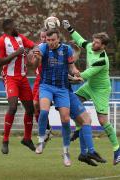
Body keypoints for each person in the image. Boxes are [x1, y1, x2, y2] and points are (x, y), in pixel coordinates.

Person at [62, 20, 120, 165]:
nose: (93, 44)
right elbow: (79, 39)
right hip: (90, 86)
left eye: (96, 43)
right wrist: (69, 28)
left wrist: (68, 77)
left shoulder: (102, 60)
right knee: (71, 102)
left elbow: (85, 75)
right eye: (93, 41)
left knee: (102, 121)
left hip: (101, 90)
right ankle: (79, 128)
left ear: (103, 46)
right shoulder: (89, 46)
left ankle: (117, 150)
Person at [31, 28, 80, 166]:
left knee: (65, 118)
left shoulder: (67, 50)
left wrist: (76, 73)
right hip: (46, 85)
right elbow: (34, 65)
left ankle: (65, 152)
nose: (50, 42)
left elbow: (71, 67)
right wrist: (37, 59)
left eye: (53, 40)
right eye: (48, 40)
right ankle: (41, 141)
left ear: (58, 39)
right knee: (44, 110)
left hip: (62, 88)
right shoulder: (42, 48)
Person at [0, 18, 36, 154]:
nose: (16, 27)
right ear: (8, 28)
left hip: (22, 78)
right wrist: (16, 53)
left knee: (30, 109)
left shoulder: (20, 38)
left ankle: (27, 138)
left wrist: (32, 51)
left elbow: (34, 45)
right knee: (13, 107)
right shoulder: (1, 42)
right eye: (14, 26)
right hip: (10, 78)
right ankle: (5, 140)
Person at [32, 28, 52, 143]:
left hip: (46, 80)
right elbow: (34, 65)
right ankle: (47, 129)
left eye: (46, 37)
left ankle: (44, 131)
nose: (44, 39)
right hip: (37, 79)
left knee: (37, 104)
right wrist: (36, 57)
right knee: (34, 108)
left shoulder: (52, 49)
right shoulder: (38, 48)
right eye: (42, 37)